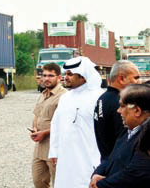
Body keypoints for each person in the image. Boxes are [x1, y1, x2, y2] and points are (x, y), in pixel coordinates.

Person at [48, 56, 104, 188]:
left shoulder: (99, 97)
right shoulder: (65, 98)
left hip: (90, 156)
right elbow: (56, 125)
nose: (65, 77)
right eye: (65, 74)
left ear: (83, 76)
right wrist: (54, 151)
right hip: (65, 156)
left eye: (70, 74)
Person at [90, 84, 150, 188]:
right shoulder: (127, 132)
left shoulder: (146, 137)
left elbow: (136, 172)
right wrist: (96, 174)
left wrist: (101, 185)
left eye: (122, 106)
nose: (118, 111)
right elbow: (111, 158)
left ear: (137, 110)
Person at [94, 60, 140, 162]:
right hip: (118, 164)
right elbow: (124, 140)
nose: (139, 82)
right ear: (122, 78)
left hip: (106, 162)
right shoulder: (120, 102)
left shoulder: (103, 98)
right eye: (136, 78)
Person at [30, 63, 67, 188]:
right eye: (44, 75)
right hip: (40, 147)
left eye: (51, 76)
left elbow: (64, 124)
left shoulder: (64, 96)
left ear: (59, 77)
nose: (46, 78)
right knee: (38, 180)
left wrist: (44, 133)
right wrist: (34, 129)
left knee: (58, 182)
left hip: (54, 147)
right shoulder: (43, 94)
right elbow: (37, 115)